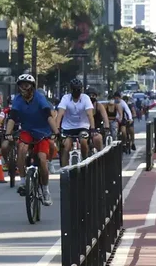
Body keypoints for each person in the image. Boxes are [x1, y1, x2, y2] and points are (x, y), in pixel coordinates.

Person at [6, 74, 60, 206]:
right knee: (21, 148)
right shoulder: (18, 100)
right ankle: (23, 181)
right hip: (27, 131)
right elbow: (12, 117)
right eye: (21, 85)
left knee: (42, 159)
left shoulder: (40, 98)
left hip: (43, 131)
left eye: (26, 85)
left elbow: (48, 117)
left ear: (32, 87)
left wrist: (56, 131)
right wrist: (8, 133)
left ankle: (46, 190)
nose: (23, 88)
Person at [56, 78, 95, 166]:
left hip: (83, 126)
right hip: (67, 127)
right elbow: (60, 114)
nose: (76, 92)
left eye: (78, 90)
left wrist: (92, 129)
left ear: (81, 90)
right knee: (66, 146)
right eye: (74, 90)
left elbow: (90, 115)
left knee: (84, 142)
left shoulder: (86, 98)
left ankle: (86, 162)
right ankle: (64, 170)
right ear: (71, 90)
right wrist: (57, 128)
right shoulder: (65, 98)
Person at [86, 87, 109, 152]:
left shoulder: (99, 106)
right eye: (89, 95)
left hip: (97, 128)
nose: (91, 97)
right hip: (85, 128)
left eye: (93, 95)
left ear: (96, 96)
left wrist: (106, 127)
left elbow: (105, 117)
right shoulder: (83, 105)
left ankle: (100, 153)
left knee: (98, 139)